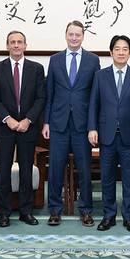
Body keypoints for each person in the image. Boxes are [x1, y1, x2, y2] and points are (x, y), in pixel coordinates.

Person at [43, 21, 100, 227]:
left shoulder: (93, 60)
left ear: (83, 36)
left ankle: (85, 210)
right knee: (55, 170)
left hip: (82, 126)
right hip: (58, 124)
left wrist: (93, 126)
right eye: (71, 34)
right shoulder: (55, 60)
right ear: (65, 35)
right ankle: (54, 210)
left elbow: (95, 97)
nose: (74, 38)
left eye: (78, 34)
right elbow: (49, 94)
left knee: (84, 170)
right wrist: (46, 122)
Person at [88, 35, 130, 233]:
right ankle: (109, 215)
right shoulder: (100, 76)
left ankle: (129, 217)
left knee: (129, 178)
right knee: (107, 177)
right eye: (117, 49)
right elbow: (94, 104)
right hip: (106, 135)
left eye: (125, 49)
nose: (121, 52)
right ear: (111, 52)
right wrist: (92, 128)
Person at [0, 31, 46, 227]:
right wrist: (8, 119)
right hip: (5, 128)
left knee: (26, 171)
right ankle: (3, 213)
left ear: (25, 45)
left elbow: (41, 98)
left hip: (27, 128)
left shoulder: (36, 68)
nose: (16, 45)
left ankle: (26, 211)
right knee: (4, 171)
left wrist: (28, 120)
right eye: (12, 42)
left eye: (19, 42)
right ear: (7, 46)